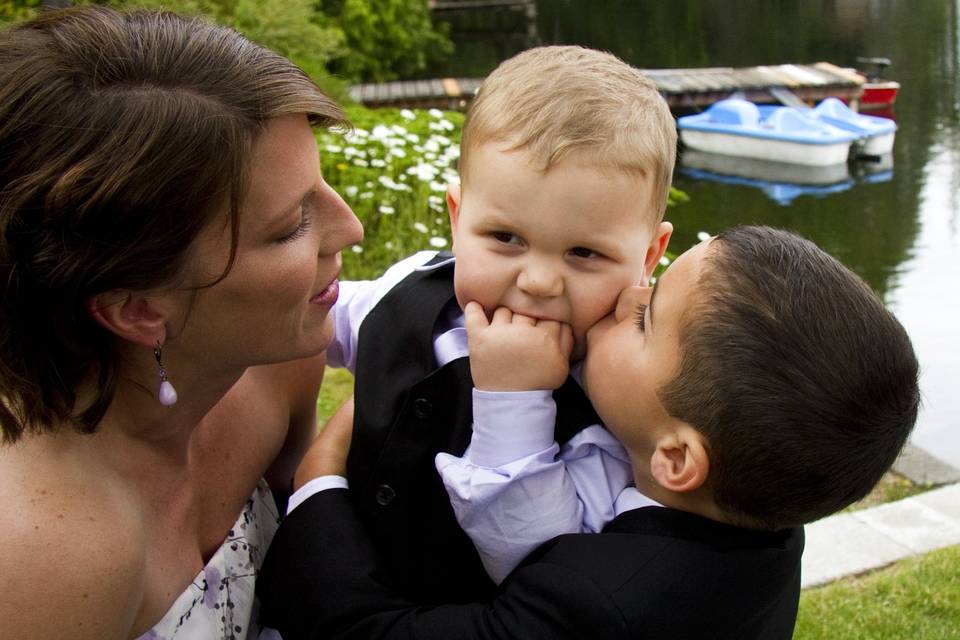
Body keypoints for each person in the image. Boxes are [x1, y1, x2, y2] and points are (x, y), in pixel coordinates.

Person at [257, 225, 920, 639]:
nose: (631, 295)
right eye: (653, 280)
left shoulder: (602, 608)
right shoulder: (758, 502)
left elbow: (364, 630)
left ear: (678, 458)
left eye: (647, 318)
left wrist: (319, 483)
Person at [0, 7, 362, 639]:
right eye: (291, 226)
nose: (351, 229)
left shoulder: (277, 366)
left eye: (321, 183)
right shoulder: (38, 559)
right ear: (136, 309)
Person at [290, 45, 676, 603]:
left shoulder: (614, 406)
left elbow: (541, 564)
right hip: (326, 583)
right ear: (456, 217)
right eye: (505, 238)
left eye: (585, 253)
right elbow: (331, 324)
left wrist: (514, 398)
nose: (539, 281)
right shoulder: (411, 286)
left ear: (648, 255)